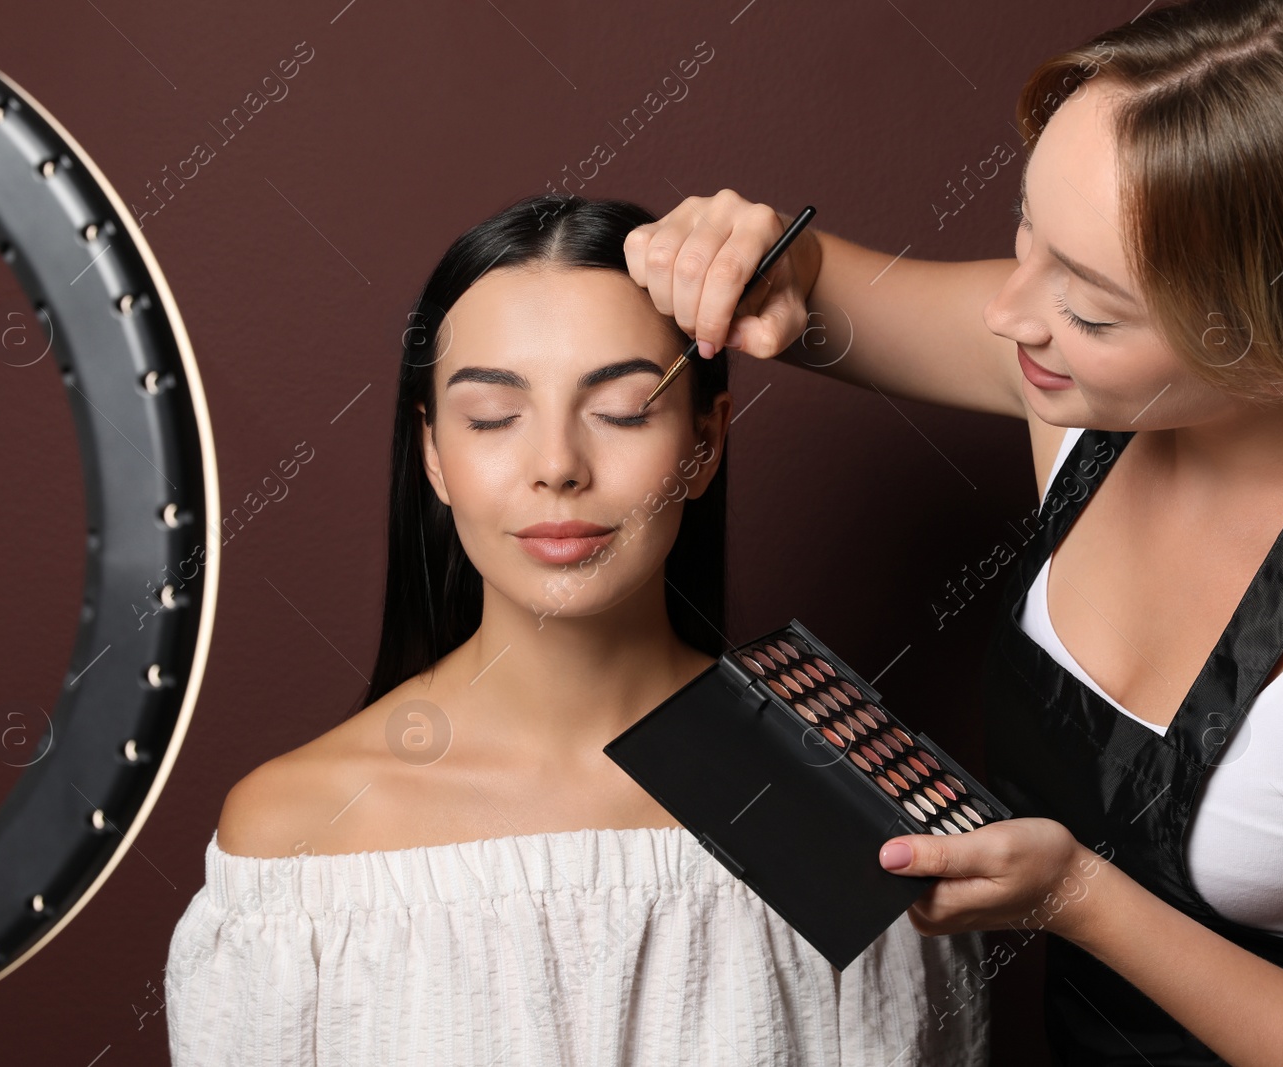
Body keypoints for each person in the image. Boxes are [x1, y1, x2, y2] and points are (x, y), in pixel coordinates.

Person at [623, 0, 1283, 1062]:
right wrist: (746, 254)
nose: (1009, 315)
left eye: (1092, 308)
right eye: (1025, 230)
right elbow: (815, 295)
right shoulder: (1086, 384)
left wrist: (1084, 898)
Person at [162, 195, 990, 1066]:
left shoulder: (849, 805)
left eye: (625, 409)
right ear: (434, 454)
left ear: (706, 441)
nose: (557, 466)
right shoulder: (296, 837)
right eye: (491, 418)